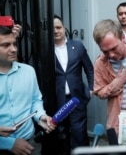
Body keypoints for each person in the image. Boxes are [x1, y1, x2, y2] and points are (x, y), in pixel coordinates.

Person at [0, 25, 55, 154]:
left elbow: (35, 100)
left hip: (29, 143)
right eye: (6, 45)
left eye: (14, 44)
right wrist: (8, 144)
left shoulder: (28, 71)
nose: (13, 49)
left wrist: (40, 116)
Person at [53, 15, 94, 154]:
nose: (56, 31)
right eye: (52, 28)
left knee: (79, 133)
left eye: (58, 27)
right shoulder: (45, 50)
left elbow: (89, 69)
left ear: (64, 28)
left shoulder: (77, 46)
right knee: (61, 134)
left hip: (76, 98)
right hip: (57, 99)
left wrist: (91, 88)